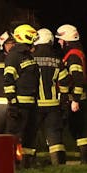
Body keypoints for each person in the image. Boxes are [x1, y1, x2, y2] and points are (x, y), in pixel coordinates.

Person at [3, 23, 40, 166]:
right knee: (15, 135)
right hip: (19, 105)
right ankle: (11, 165)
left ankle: (28, 164)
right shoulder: (14, 56)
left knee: (30, 135)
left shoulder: (27, 56)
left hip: (31, 103)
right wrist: (12, 103)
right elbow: (8, 81)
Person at [31, 26, 67, 165]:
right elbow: (64, 83)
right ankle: (58, 164)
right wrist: (64, 101)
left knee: (31, 135)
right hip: (53, 105)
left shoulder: (31, 58)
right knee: (54, 135)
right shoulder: (58, 60)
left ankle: (28, 164)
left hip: (35, 104)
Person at [57, 24, 87, 164]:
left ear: (66, 39)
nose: (59, 42)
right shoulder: (75, 53)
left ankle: (85, 160)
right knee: (78, 130)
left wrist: (75, 100)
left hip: (74, 99)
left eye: (60, 39)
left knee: (77, 129)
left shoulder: (73, 56)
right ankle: (85, 160)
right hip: (75, 98)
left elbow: (78, 79)